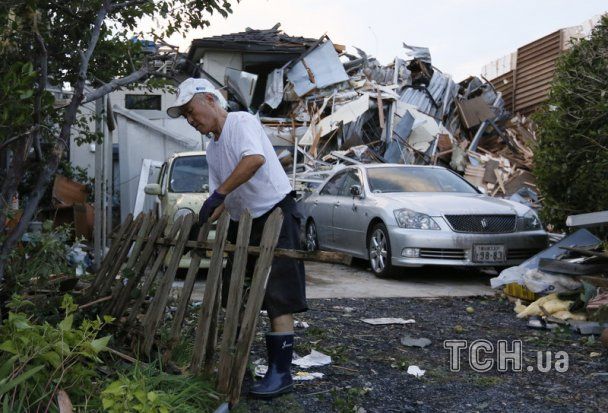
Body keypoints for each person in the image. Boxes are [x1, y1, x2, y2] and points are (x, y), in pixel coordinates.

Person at [167, 78, 307, 398]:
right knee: (234, 289)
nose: (191, 120)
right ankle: (236, 357)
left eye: (191, 111)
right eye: (186, 116)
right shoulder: (213, 148)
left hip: (275, 213)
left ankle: (281, 373)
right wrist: (204, 219)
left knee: (277, 294)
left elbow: (253, 160)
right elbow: (224, 197)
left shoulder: (241, 121)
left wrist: (218, 195)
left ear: (210, 101)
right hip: (244, 221)